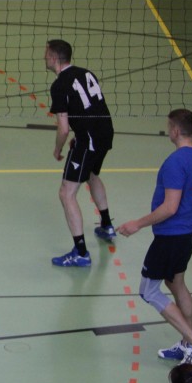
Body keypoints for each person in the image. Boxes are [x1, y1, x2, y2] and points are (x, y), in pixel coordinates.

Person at [118, 109, 192, 363]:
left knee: (148, 290)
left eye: (169, 126)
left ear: (175, 130)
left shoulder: (174, 163)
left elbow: (170, 207)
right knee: (176, 283)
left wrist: (137, 224)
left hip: (172, 236)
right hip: (190, 228)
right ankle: (188, 345)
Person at [46, 39, 116, 267]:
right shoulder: (86, 73)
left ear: (54, 58)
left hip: (89, 140)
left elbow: (63, 129)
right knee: (92, 175)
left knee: (66, 193)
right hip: (105, 133)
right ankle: (106, 225)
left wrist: (58, 148)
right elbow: (93, 107)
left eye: (46, 54)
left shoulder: (59, 86)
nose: (44, 58)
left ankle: (81, 252)